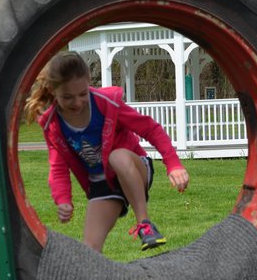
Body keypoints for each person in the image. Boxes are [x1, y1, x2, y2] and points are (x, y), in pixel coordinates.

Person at [24, 51, 189, 252]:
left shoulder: (107, 103)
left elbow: (149, 128)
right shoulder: (53, 124)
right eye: (67, 97)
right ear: (52, 90)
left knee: (116, 157)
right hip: (102, 183)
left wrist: (173, 164)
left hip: (134, 168)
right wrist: (63, 199)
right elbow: (57, 167)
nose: (77, 103)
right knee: (89, 249)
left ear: (89, 83)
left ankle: (144, 224)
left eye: (83, 94)